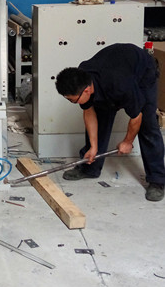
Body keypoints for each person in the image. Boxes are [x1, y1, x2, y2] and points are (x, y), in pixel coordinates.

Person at [55, 43, 165, 202]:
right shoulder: (83, 76)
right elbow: (88, 112)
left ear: (86, 90)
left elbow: (136, 117)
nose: (73, 103)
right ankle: (90, 168)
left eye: (73, 100)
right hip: (115, 72)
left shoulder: (121, 85)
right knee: (100, 116)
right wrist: (93, 147)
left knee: (147, 125)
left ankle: (157, 180)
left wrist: (128, 141)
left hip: (142, 73)